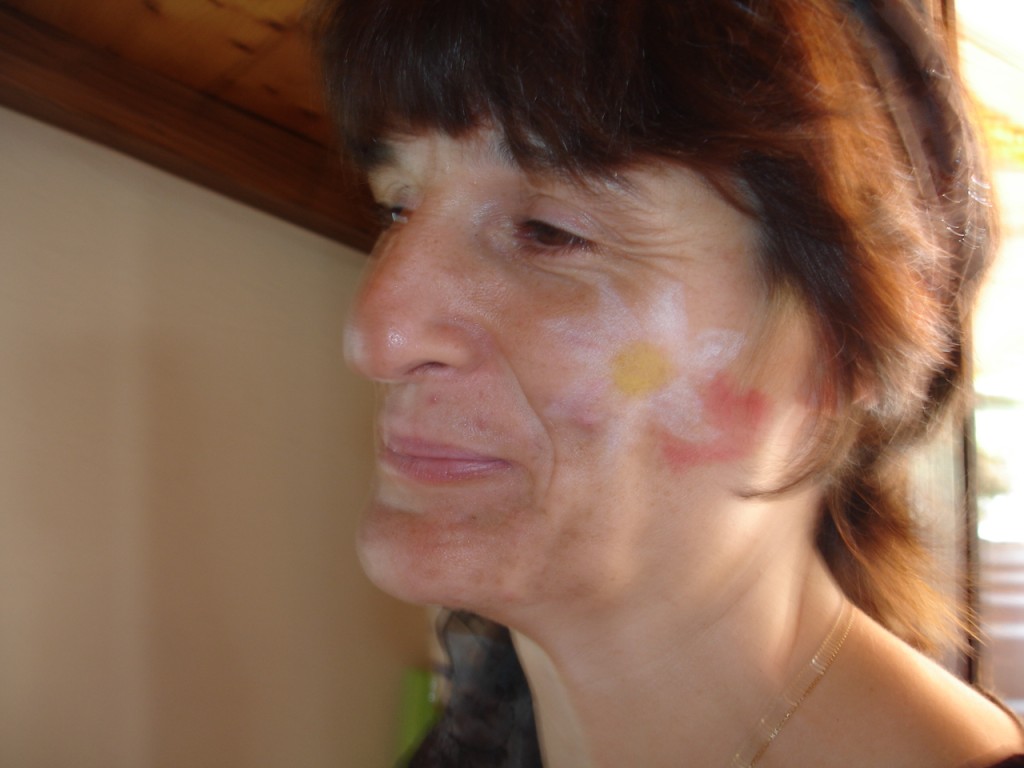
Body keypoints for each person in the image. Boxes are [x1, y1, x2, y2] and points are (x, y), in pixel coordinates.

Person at [313, 0, 1024, 765]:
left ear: (840, 350)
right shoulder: (478, 733)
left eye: (549, 232)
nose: (376, 336)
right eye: (397, 207)